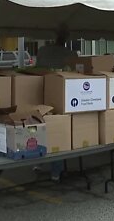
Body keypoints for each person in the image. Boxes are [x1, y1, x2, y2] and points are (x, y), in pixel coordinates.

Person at [36, 24, 77, 182]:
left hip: (41, 93)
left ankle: (38, 162)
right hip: (60, 97)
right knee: (57, 131)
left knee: (40, 127)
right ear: (66, 37)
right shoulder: (71, 54)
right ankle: (55, 171)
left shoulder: (43, 51)